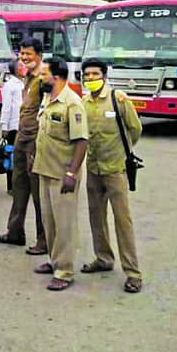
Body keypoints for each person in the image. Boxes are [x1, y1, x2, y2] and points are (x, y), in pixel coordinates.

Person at [80, 58, 143, 293]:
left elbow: (135, 128)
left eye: (95, 74)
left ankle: (133, 273)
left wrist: (123, 151)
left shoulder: (118, 99)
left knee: (122, 221)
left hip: (116, 169)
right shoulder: (84, 102)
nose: (90, 79)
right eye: (87, 75)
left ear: (104, 77)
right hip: (93, 169)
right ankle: (103, 258)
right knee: (96, 217)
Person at [32, 58, 88, 291]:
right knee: (50, 221)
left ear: (57, 77)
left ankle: (64, 271)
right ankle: (54, 260)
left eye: (44, 74)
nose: (40, 77)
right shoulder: (48, 99)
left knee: (64, 224)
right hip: (45, 169)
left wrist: (71, 173)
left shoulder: (72, 104)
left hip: (62, 173)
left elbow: (81, 140)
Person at [0, 38, 47, 255]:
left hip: (36, 140)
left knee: (38, 193)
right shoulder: (26, 79)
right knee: (18, 186)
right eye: (22, 54)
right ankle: (15, 231)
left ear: (39, 55)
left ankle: (43, 240)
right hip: (22, 137)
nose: (24, 58)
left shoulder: (44, 80)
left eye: (29, 54)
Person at [0, 58, 24, 194]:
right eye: (20, 65)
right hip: (13, 127)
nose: (23, 67)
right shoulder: (10, 85)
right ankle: (11, 186)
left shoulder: (25, 83)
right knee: (12, 157)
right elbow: (6, 107)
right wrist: (5, 127)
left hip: (24, 126)